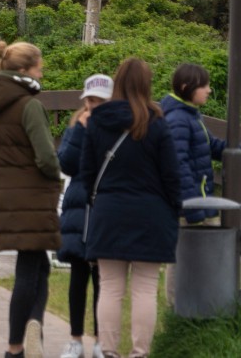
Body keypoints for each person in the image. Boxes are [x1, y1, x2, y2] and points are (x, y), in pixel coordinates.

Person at [81, 58, 180, 358]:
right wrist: (173, 210)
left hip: (109, 212)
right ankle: (140, 353)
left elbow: (86, 174)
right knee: (145, 289)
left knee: (110, 288)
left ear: (117, 83)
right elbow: (171, 176)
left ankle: (108, 352)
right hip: (151, 214)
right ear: (147, 85)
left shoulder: (98, 121)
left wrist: (98, 202)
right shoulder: (157, 123)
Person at [0, 37, 62, 358]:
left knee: (37, 264)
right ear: (25, 70)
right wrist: (59, 177)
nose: (41, 75)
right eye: (39, 69)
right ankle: (16, 346)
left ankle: (33, 328)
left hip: (5, 194)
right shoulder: (30, 105)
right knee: (30, 268)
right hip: (34, 194)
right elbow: (46, 157)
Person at [56, 74, 113, 358]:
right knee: (78, 276)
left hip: (104, 208)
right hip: (79, 209)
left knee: (104, 280)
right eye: (90, 100)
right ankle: (75, 339)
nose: (94, 106)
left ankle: (102, 340)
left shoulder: (116, 128)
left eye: (100, 101)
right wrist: (80, 131)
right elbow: (65, 162)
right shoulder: (76, 126)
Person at [160, 63, 226, 224]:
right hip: (192, 210)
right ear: (185, 87)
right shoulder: (178, 120)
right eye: (204, 85)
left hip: (201, 202)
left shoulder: (190, 115)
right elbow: (178, 167)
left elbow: (213, 147)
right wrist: (194, 210)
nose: (209, 90)